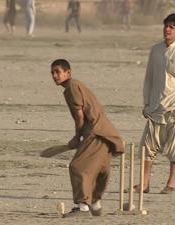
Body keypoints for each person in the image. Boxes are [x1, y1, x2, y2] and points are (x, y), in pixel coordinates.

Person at [50, 59, 124, 217]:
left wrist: (77, 137)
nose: (54, 75)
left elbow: (80, 116)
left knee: (78, 167)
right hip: (105, 131)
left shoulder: (72, 86)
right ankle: (95, 204)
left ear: (68, 73)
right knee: (100, 169)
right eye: (52, 73)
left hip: (95, 131)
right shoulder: (73, 86)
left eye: (57, 71)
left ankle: (83, 206)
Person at [139, 13, 175, 194]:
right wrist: (146, 103)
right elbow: (149, 79)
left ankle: (171, 183)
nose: (167, 29)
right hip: (155, 107)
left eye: (172, 27)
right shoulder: (155, 50)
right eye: (166, 26)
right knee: (147, 147)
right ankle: (144, 183)